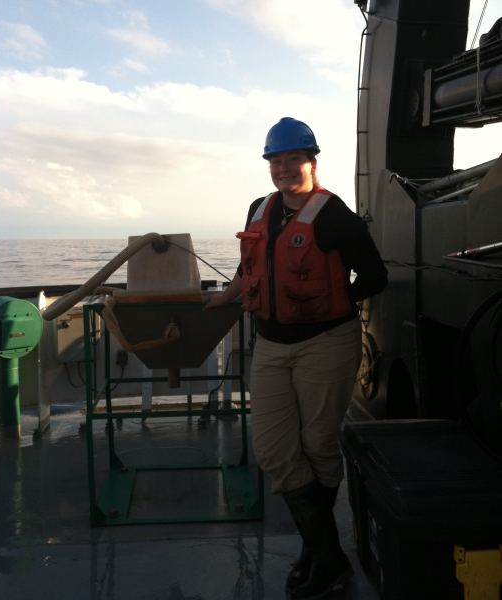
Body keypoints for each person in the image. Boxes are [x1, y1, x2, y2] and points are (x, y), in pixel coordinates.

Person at [205, 117, 387, 600]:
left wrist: (337, 306)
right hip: (270, 344)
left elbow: (374, 275)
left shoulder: (335, 215)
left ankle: (318, 556)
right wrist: (227, 296)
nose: (284, 168)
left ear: (312, 161)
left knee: (319, 445)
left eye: (293, 159)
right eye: (275, 160)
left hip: (326, 343)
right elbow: (253, 268)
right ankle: (327, 551)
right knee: (273, 449)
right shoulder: (258, 208)